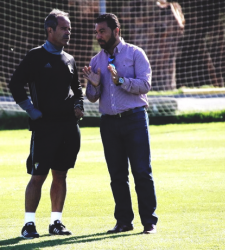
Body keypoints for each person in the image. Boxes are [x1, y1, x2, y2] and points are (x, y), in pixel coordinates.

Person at [8, 9, 84, 239]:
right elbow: (15, 85)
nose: (68, 32)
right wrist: (32, 111)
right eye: (64, 28)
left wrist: (80, 106)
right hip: (45, 128)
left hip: (69, 128)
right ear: (50, 30)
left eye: (69, 28)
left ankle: (56, 223)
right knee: (38, 175)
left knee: (61, 175)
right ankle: (28, 225)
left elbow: (77, 88)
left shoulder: (69, 59)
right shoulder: (35, 56)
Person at [83, 13, 158, 234]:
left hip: (135, 119)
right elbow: (92, 97)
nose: (98, 36)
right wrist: (94, 85)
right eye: (96, 32)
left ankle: (149, 222)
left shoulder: (135, 54)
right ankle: (124, 221)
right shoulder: (96, 61)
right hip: (108, 124)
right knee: (117, 175)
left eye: (102, 31)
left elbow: (145, 85)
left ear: (116, 31)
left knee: (142, 172)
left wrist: (121, 81)